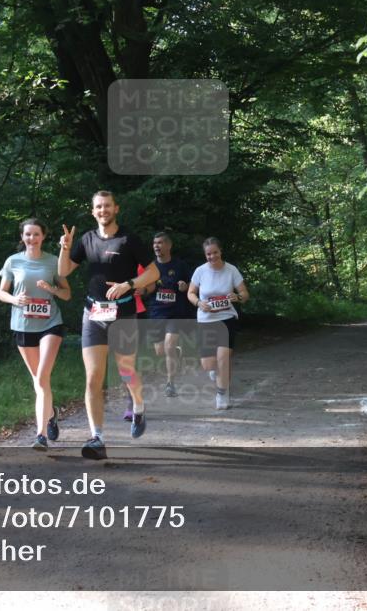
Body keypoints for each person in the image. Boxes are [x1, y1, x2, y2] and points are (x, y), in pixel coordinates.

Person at [58, 191, 160, 460]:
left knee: (126, 371)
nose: (102, 210)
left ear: (116, 208)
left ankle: (138, 407)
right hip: (93, 314)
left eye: (107, 206)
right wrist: (65, 248)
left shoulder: (128, 239)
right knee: (93, 377)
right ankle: (97, 437)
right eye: (98, 207)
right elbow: (63, 272)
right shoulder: (87, 239)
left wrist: (129, 284)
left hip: (123, 314)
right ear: (93, 211)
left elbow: (153, 272)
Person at [0, 218, 71, 451]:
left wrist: (51, 289)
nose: (32, 238)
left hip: (50, 324)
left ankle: (41, 436)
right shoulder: (13, 261)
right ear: (22, 237)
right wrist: (15, 299)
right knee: (39, 381)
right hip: (23, 325)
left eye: (36, 234)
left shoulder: (53, 261)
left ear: (43, 236)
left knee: (41, 377)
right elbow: (1, 293)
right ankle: (52, 414)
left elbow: (67, 294)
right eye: (27, 234)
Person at [188, 237, 249, 410]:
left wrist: (238, 297)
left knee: (224, 358)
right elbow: (191, 293)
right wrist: (199, 303)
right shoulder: (200, 271)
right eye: (208, 254)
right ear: (205, 255)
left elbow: (245, 293)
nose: (212, 256)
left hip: (226, 319)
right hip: (206, 320)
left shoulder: (231, 270)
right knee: (208, 365)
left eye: (215, 252)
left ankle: (222, 393)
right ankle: (215, 372)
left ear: (220, 251)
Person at [142, 232, 192, 398]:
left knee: (169, 346)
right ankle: (175, 353)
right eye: (155, 243)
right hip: (156, 312)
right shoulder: (150, 268)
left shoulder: (180, 265)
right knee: (160, 351)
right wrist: (142, 290)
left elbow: (192, 284)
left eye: (160, 242)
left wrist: (185, 286)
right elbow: (146, 287)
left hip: (175, 312)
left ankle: (170, 383)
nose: (156, 246)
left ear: (169, 245)